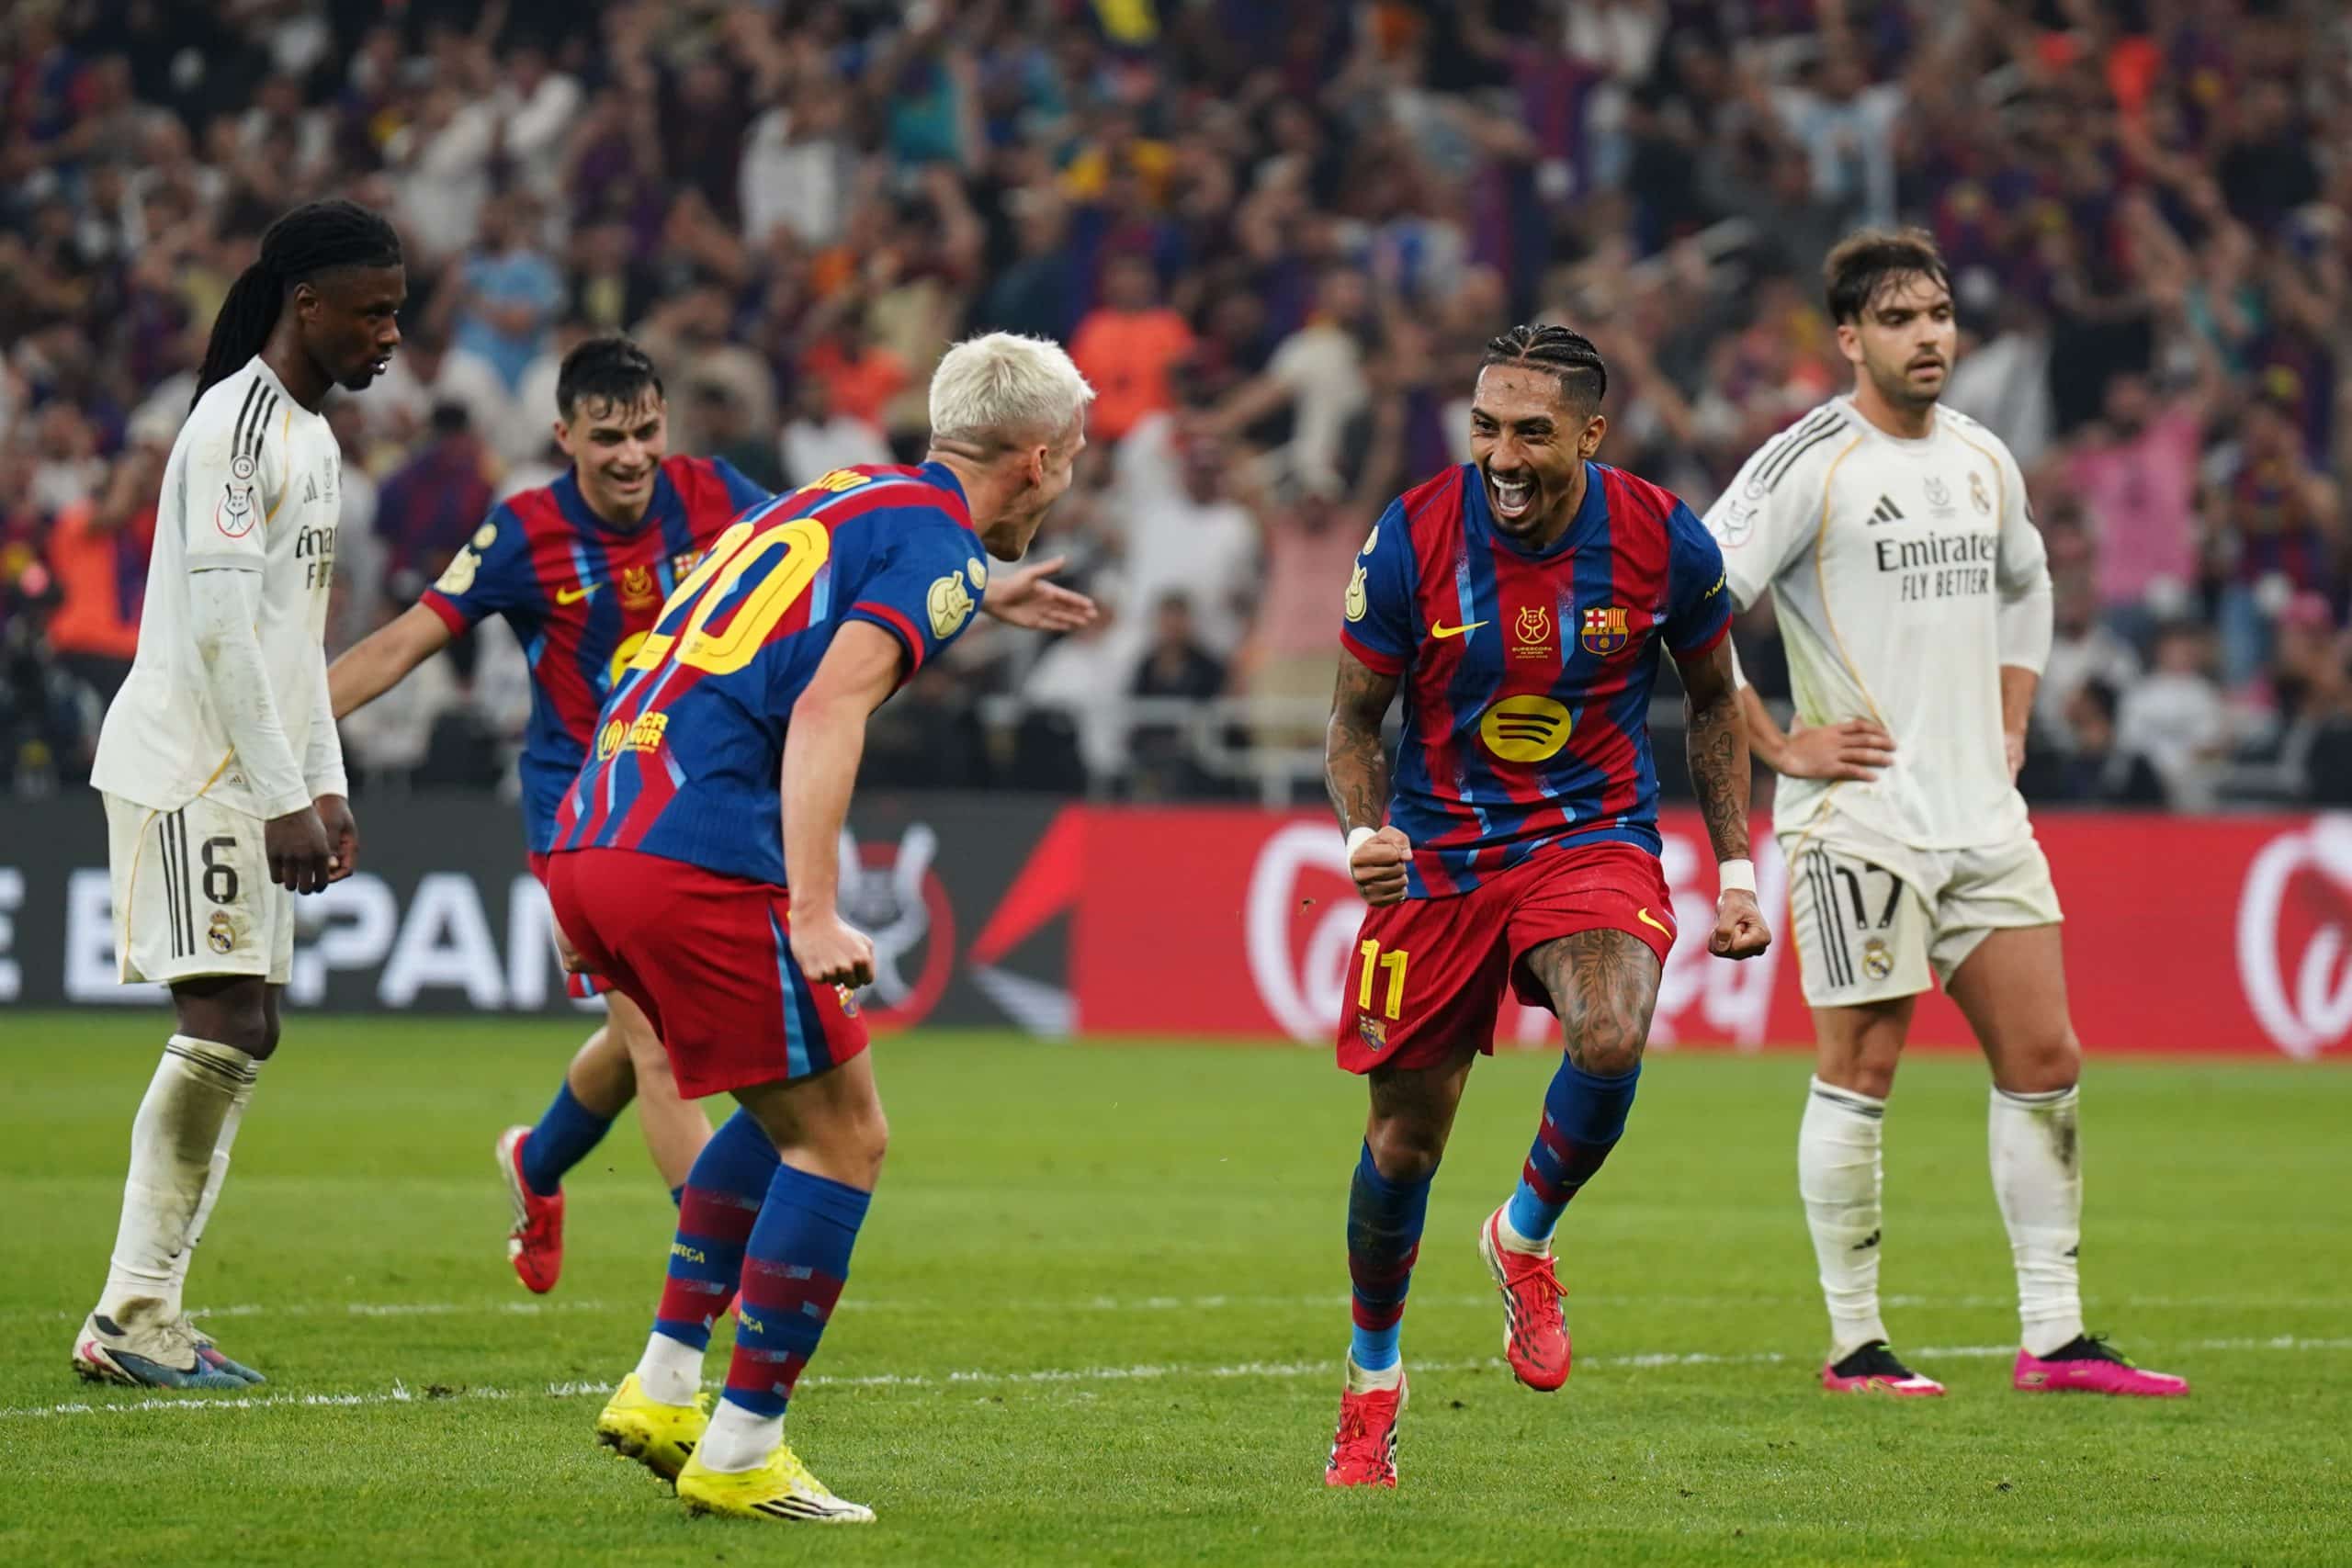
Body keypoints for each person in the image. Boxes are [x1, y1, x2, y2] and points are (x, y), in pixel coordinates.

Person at [329, 336, 1093, 1294]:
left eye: (647, 431)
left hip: (696, 799)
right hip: (587, 796)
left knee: (642, 1030)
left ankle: (538, 1163)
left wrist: (973, 588)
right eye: (606, 437)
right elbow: (404, 641)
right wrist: (290, 740)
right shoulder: (523, 532)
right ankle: (706, 1290)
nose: (631, 456)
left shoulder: (715, 495)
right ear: (563, 438)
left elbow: (817, 582)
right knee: (658, 1042)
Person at [548, 333, 1094, 1525]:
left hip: (598, 823)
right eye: (1078, 457)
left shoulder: (843, 493)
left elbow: (757, 612)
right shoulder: (937, 544)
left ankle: (665, 1381)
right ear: (1041, 460)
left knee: (785, 1097)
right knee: (846, 1137)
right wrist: (812, 903)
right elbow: (829, 705)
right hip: (698, 849)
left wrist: (983, 586)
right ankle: (744, 1443)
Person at [1703, 228, 2188, 1400]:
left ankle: (2054, 1338)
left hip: (1980, 812)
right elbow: (1692, 606)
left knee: (2045, 1057)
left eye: (1940, 314)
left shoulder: (1980, 459)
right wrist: (1774, 741)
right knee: (1862, 1064)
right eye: (1901, 319)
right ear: (1850, 338)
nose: (1929, 337)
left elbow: (2030, 587)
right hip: (1856, 817)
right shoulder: (1804, 461)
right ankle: (1855, 1344)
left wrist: (2013, 715)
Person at [1321, 325, 1771, 1489]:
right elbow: (1351, 721)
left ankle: (1522, 1236)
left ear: (1588, 431)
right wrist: (1365, 834)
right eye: (1485, 428)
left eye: (1529, 431)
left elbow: (1716, 701)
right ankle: (1372, 1380)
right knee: (1402, 1145)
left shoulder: (1663, 538)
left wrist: (1732, 871)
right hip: (1440, 861)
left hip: (1590, 836)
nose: (1502, 456)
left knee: (1613, 1030)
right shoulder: (1413, 533)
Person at [74, 199, 406, 1390]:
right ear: (303, 304)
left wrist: (326, 781)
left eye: (397, 312)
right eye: (371, 311)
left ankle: (147, 1306)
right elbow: (217, 634)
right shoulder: (236, 427)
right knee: (224, 1018)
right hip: (191, 768)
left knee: (243, 1024)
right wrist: (281, 795)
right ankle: (130, 1312)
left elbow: (288, 638)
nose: (390, 334)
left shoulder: (312, 437)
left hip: (249, 770)